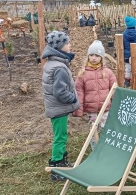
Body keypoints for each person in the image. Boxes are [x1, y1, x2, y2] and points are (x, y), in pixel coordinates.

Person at [41, 31, 80, 181]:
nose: (70, 45)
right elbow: (60, 92)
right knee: (60, 137)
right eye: (67, 43)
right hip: (59, 108)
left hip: (55, 107)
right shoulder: (59, 68)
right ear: (60, 46)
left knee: (61, 135)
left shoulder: (52, 63)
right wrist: (73, 98)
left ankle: (62, 162)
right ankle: (56, 167)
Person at [74, 40, 116, 147]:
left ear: (101, 57)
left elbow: (114, 89)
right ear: (88, 56)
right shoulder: (83, 74)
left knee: (106, 128)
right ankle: (95, 149)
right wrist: (79, 110)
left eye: (97, 55)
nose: (93, 58)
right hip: (91, 109)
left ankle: (106, 147)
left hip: (106, 108)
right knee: (94, 129)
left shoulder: (108, 73)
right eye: (91, 55)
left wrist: (116, 104)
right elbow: (79, 92)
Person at [123, 15, 136, 87]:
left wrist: (123, 54)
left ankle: (127, 81)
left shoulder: (124, 34)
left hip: (127, 55)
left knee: (128, 68)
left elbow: (122, 44)